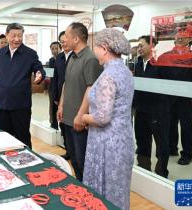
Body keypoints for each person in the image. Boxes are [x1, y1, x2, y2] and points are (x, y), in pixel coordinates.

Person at [81, 28, 134, 210]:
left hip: (107, 143)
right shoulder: (125, 71)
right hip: (123, 139)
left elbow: (102, 117)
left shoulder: (108, 76)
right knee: (118, 189)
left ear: (103, 48)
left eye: (95, 47)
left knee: (104, 192)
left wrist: (85, 117)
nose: (94, 51)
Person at [56, 22, 102, 181]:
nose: (64, 40)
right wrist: (61, 105)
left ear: (76, 39)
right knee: (74, 159)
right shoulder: (72, 57)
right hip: (68, 118)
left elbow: (92, 89)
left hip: (80, 120)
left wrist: (81, 115)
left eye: (67, 37)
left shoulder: (90, 59)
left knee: (83, 162)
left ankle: (89, 195)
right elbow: (66, 84)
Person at [0, 23, 45, 148]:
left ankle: (27, 163)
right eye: (13, 35)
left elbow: (38, 68)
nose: (17, 39)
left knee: (22, 137)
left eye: (20, 36)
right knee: (3, 136)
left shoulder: (30, 54)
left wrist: (39, 74)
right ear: (7, 35)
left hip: (21, 104)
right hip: (2, 103)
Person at [157, 29, 192, 165]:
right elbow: (159, 77)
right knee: (170, 124)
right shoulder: (165, 56)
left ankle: (187, 154)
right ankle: (172, 148)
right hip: (168, 97)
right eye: (178, 35)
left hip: (186, 98)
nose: (179, 38)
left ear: (190, 39)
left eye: (183, 36)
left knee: (186, 126)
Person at [133, 35, 169, 178]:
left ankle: (161, 173)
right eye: (139, 46)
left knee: (161, 143)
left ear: (151, 45)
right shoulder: (138, 63)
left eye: (142, 45)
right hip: (141, 109)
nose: (139, 48)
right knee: (142, 140)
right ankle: (144, 170)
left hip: (158, 111)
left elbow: (166, 88)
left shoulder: (161, 63)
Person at [51, 31, 73, 160]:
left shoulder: (76, 56)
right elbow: (56, 78)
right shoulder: (59, 57)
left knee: (71, 126)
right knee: (63, 125)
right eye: (62, 42)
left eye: (65, 41)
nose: (64, 44)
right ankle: (68, 150)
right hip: (60, 96)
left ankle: (74, 152)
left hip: (73, 97)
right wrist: (55, 97)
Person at [47, 41, 61, 130]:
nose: (54, 50)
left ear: (60, 48)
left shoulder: (63, 59)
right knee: (52, 106)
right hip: (52, 86)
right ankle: (53, 123)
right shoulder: (51, 60)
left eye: (56, 48)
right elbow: (49, 75)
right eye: (52, 49)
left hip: (60, 86)